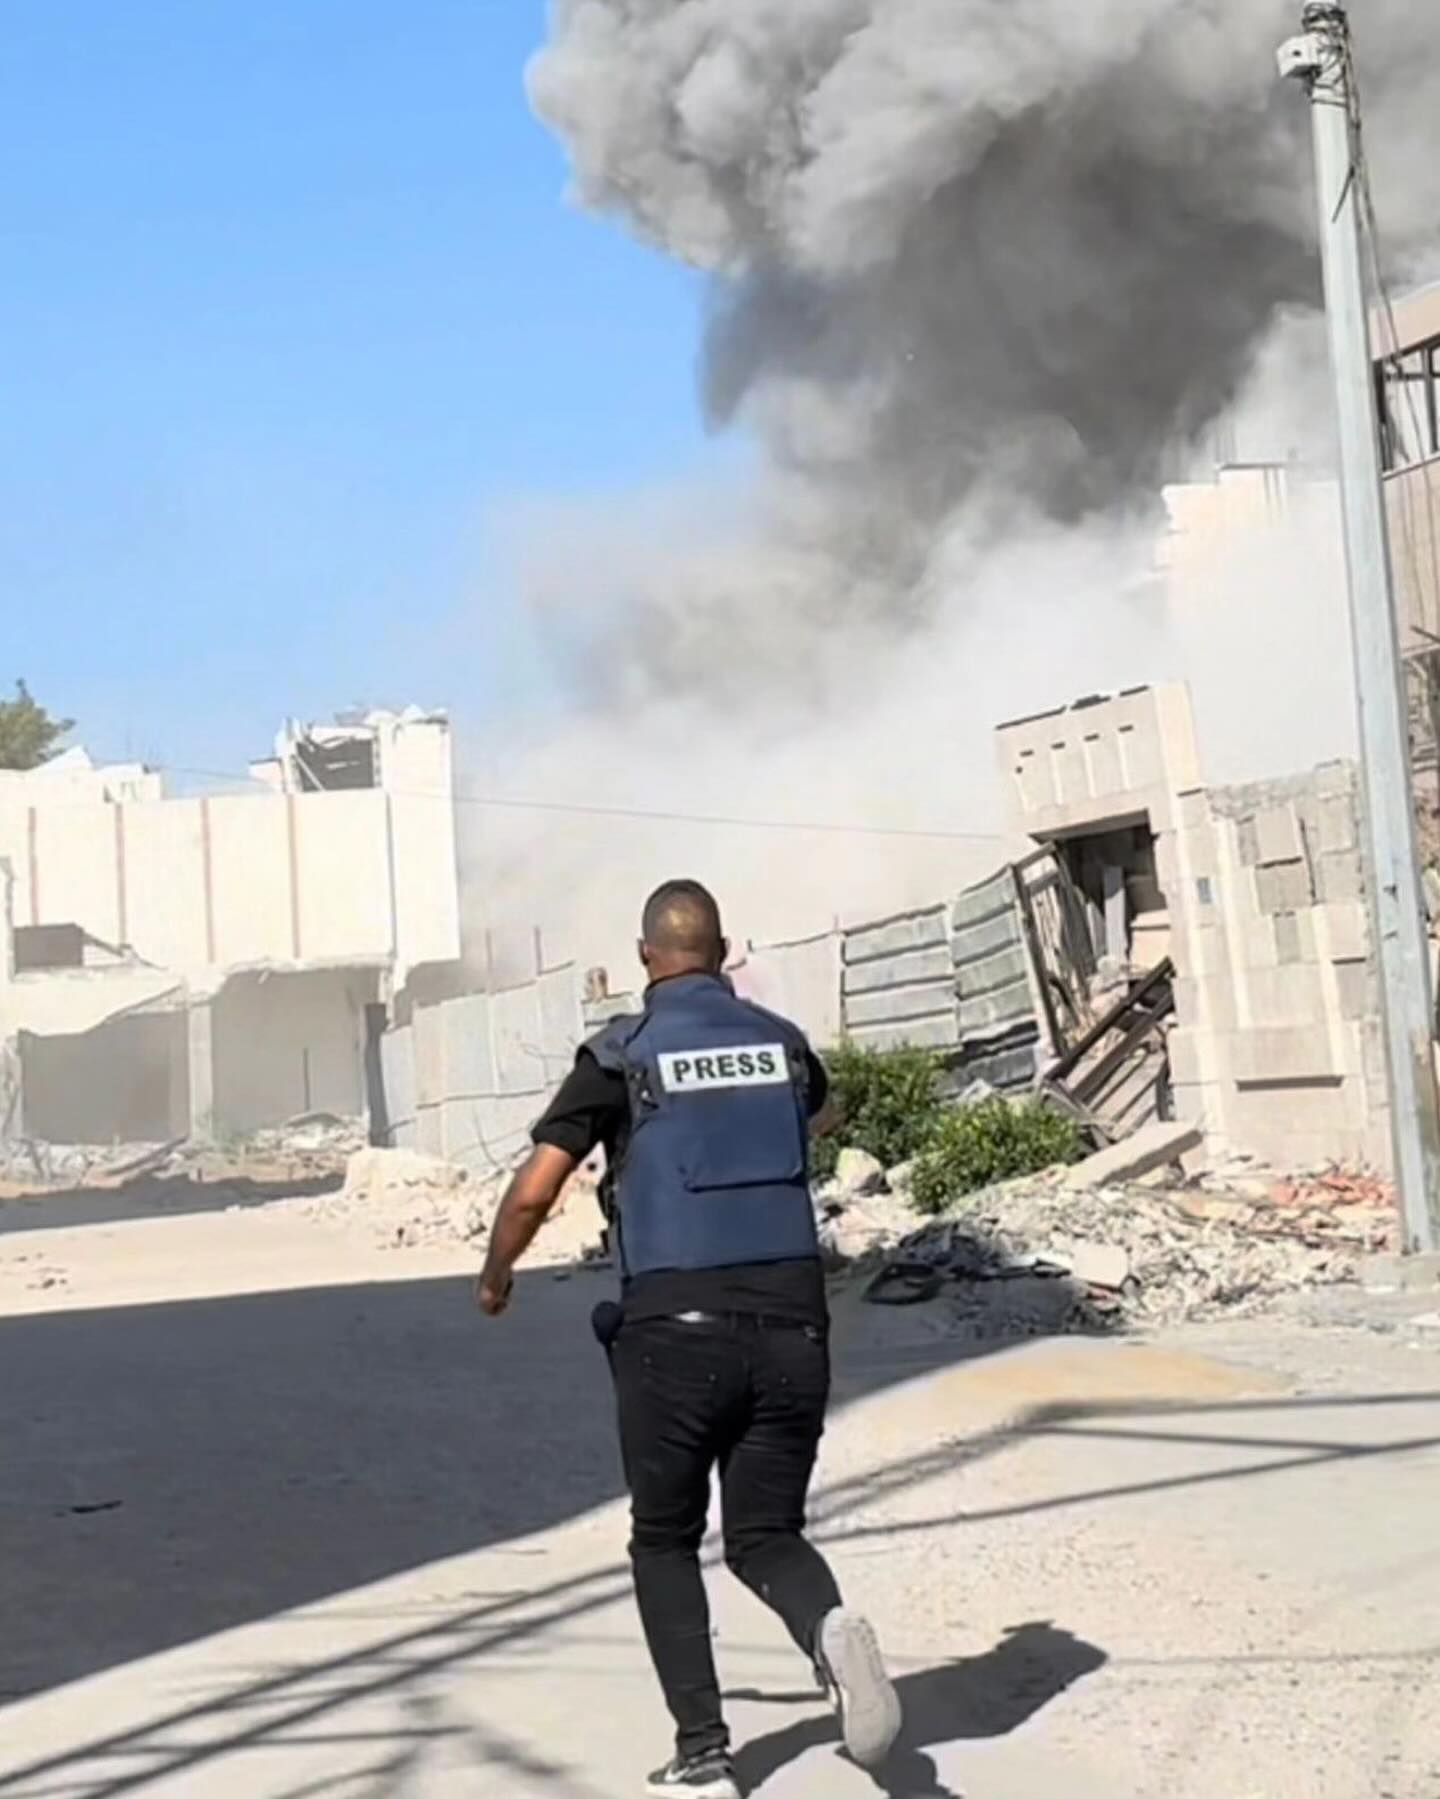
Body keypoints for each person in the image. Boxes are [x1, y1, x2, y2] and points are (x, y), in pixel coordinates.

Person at [476, 880, 901, 1798]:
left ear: (646, 957)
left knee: (665, 1538)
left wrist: (497, 1270)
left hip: (675, 1330)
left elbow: (538, 1185)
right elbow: (821, 1113)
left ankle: (704, 1753)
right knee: (766, 1532)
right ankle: (828, 1628)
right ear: (723, 949)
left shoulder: (620, 1054)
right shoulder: (781, 1042)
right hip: (795, 1322)